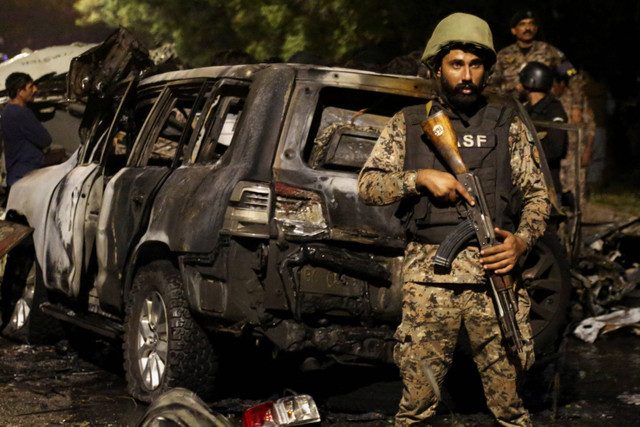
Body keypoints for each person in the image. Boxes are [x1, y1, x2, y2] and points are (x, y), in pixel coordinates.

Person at [357, 13, 550, 427]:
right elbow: (369, 186)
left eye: (475, 65)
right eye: (456, 64)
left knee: (512, 409)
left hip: (493, 279)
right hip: (429, 283)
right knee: (415, 408)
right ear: (437, 68)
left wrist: (521, 242)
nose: (466, 75)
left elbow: (538, 197)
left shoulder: (507, 125)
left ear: (486, 71)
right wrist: (419, 178)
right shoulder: (409, 124)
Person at [489, 10, 567, 101]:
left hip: (543, 106)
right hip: (511, 106)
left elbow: (571, 74)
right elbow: (492, 83)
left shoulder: (549, 51)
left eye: (531, 24)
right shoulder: (503, 55)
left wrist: (575, 106)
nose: (527, 28)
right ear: (514, 30)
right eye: (522, 24)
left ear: (536, 28)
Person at [519, 61, 568, 201]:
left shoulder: (553, 110)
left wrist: (525, 154)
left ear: (530, 82)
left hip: (546, 187)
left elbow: (556, 148)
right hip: (525, 186)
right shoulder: (525, 109)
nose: (518, 87)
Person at [553, 60, 595, 205]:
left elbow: (590, 126)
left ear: (561, 84)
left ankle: (576, 225)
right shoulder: (550, 102)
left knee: (577, 194)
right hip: (558, 156)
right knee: (558, 195)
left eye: (554, 85)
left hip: (575, 155)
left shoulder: (577, 101)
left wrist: (587, 151)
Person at [1, 72, 51, 189]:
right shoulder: (21, 113)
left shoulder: (7, 112)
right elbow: (45, 140)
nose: (35, 89)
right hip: (29, 174)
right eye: (31, 87)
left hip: (16, 175)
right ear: (20, 92)